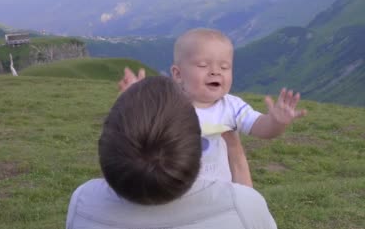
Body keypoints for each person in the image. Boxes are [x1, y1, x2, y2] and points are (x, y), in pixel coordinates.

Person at [66, 76, 279, 229]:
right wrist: (236, 154)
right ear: (197, 151)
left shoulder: (82, 202)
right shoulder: (243, 206)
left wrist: (129, 120)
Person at [119, 28, 306, 186]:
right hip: (171, 191)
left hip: (218, 193)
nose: (215, 71)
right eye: (203, 65)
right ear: (178, 74)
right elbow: (137, 128)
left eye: (225, 67)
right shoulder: (166, 102)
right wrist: (133, 99)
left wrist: (276, 122)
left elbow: (262, 129)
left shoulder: (232, 107)